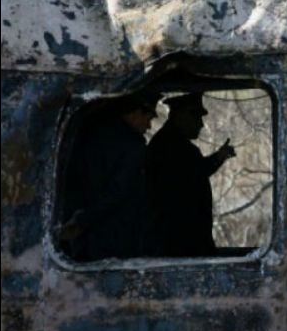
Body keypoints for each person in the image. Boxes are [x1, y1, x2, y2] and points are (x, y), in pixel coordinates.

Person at [59, 91, 160, 261]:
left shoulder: (88, 135)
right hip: (117, 240)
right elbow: (118, 193)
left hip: (86, 240)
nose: (149, 126)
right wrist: (83, 221)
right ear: (135, 114)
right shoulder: (134, 147)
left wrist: (79, 220)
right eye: (148, 118)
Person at [146, 92, 236, 257]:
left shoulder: (169, 143)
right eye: (196, 118)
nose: (201, 125)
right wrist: (219, 157)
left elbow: (194, 171)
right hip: (181, 241)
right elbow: (196, 172)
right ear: (181, 116)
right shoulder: (173, 147)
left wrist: (219, 157)